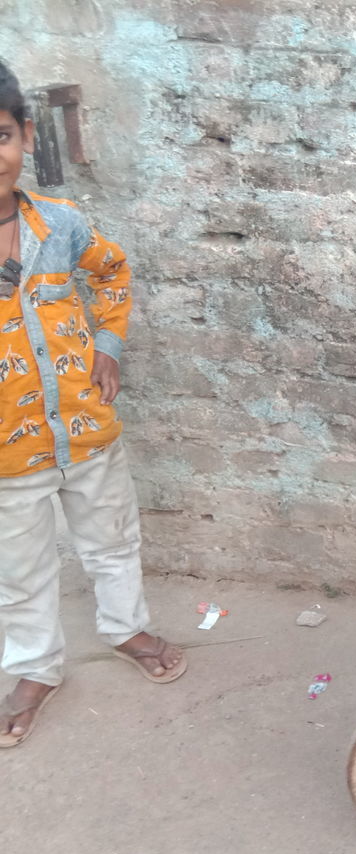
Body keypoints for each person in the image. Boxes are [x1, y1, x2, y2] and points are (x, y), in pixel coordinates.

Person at [0, 60, 185, 748]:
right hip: (7, 453)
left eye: (2, 135)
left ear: (23, 136)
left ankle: (125, 627)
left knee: (111, 541)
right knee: (19, 571)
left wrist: (108, 345)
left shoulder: (62, 223)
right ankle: (35, 667)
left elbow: (111, 273)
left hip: (85, 430)